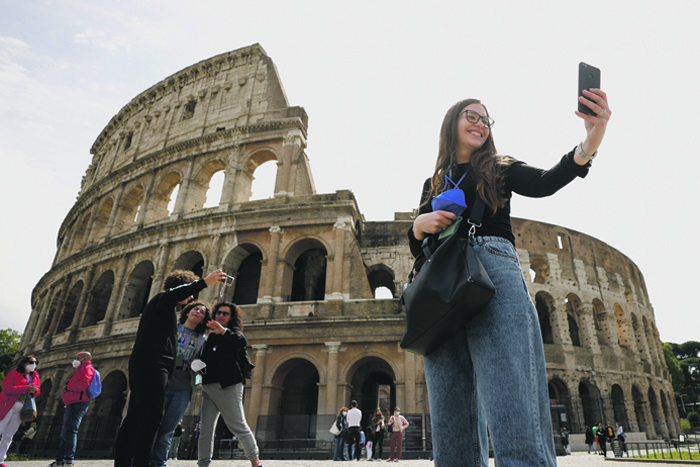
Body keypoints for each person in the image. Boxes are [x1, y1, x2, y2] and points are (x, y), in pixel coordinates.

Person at [409, 89, 610, 467]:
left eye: (486, 120)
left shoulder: (498, 166)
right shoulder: (432, 183)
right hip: (441, 285)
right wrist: (419, 226)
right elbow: (418, 249)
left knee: (510, 395)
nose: (480, 124)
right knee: (449, 407)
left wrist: (590, 141)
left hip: (493, 272)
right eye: (472, 116)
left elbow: (546, 181)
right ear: (451, 122)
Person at [114, 268, 226, 467]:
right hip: (153, 365)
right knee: (151, 418)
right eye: (189, 294)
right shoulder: (163, 300)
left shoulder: (163, 308)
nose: (191, 299)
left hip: (146, 363)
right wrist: (205, 282)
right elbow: (176, 294)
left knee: (134, 418)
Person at [198, 301, 263, 467]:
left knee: (238, 426)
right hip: (208, 387)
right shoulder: (210, 335)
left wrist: (223, 331)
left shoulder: (232, 332)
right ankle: (203, 464)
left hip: (228, 386)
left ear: (231, 317)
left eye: (225, 313)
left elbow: (241, 342)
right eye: (218, 312)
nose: (220, 315)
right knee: (205, 430)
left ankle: (255, 462)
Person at [150, 301, 211, 467]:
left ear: (203, 319)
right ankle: (139, 461)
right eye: (195, 309)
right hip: (161, 383)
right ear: (187, 311)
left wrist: (199, 365)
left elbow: (202, 368)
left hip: (183, 387)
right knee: (150, 426)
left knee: (168, 430)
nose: (198, 312)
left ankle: (158, 464)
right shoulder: (171, 328)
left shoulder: (202, 339)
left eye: (202, 312)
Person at [49, 351, 96, 467]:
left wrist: (68, 387)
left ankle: (68, 460)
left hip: (77, 403)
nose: (75, 359)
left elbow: (83, 384)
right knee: (66, 433)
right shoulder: (81, 369)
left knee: (70, 433)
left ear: (84, 359)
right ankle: (60, 460)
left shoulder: (87, 369)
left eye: (77, 357)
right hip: (73, 402)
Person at [0, 355, 40, 466]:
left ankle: (0, 460)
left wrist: (34, 390)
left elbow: (37, 391)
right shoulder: (14, 373)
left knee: (9, 435)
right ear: (24, 363)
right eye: (32, 362)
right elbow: (7, 389)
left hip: (21, 407)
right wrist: (25, 388)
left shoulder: (35, 375)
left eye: (36, 362)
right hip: (7, 405)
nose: (34, 364)